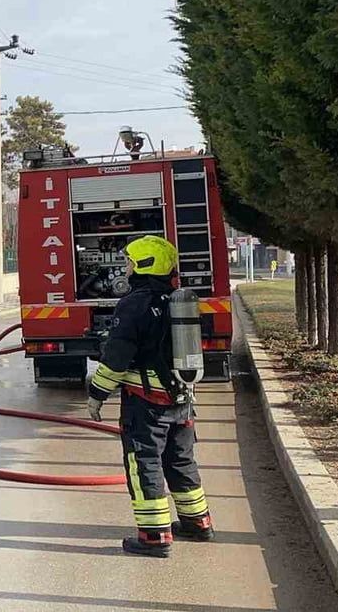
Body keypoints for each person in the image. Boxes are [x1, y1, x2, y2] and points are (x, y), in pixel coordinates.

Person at [86, 235, 214, 558]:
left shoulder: (133, 305)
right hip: (183, 401)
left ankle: (155, 536)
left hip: (147, 406)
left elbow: (116, 359)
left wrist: (96, 394)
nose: (126, 268)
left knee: (144, 463)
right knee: (181, 460)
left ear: (143, 266)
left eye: (130, 262)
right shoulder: (177, 300)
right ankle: (198, 522)